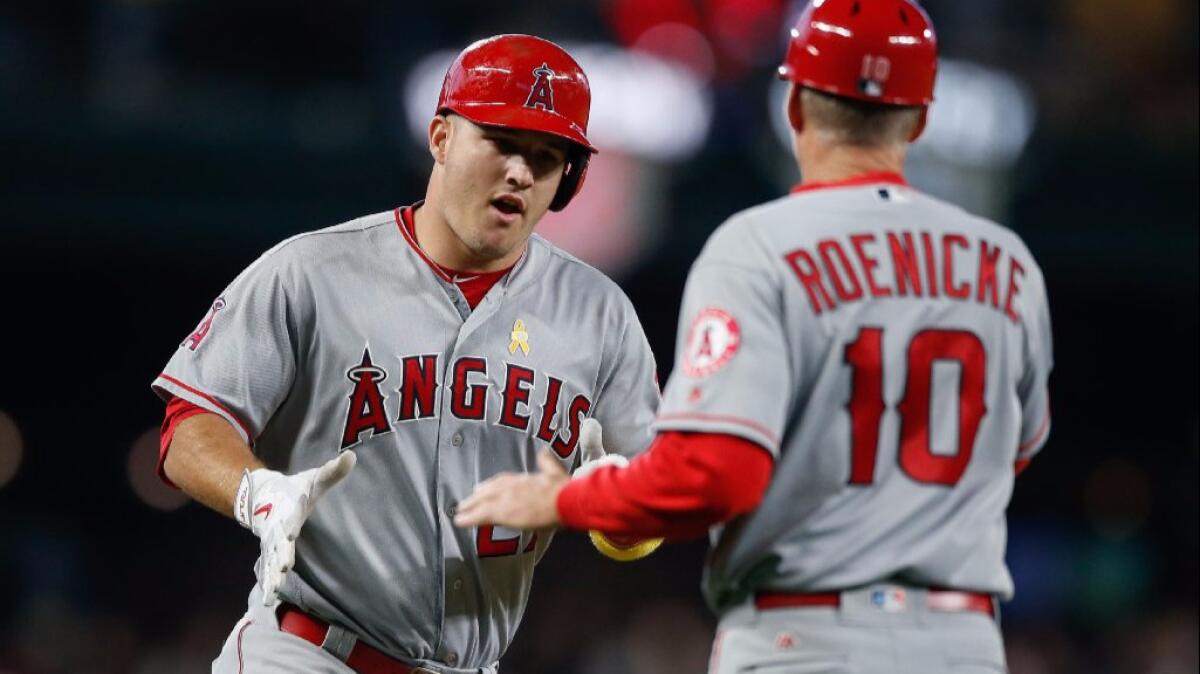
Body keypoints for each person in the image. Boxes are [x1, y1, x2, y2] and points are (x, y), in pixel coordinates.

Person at [454, 2, 1053, 673]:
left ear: (795, 105)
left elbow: (712, 476)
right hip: (961, 643)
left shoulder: (761, 248)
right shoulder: (1006, 264)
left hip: (809, 637)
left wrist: (566, 498)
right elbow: (1017, 444)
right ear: (920, 117)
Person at [151, 34, 660, 674]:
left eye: (546, 155)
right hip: (308, 655)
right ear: (442, 138)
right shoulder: (311, 271)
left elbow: (645, 522)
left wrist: (617, 510)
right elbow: (189, 426)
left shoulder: (601, 315)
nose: (521, 172)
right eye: (501, 142)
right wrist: (256, 492)